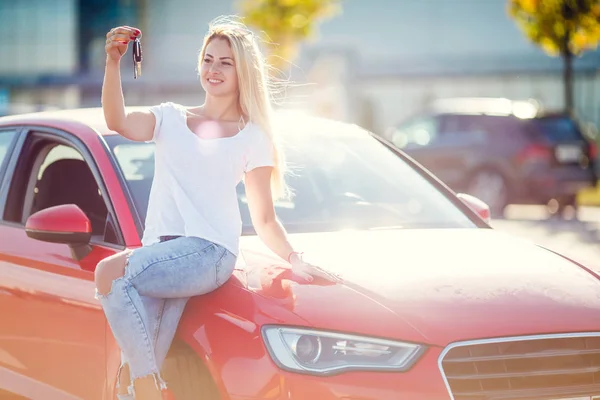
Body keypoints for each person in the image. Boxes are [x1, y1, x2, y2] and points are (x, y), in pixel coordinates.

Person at [94, 16, 335, 400]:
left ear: (243, 72)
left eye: (225, 62)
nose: (214, 69)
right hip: (161, 252)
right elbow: (116, 120)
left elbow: (265, 218)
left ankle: (147, 384)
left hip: (210, 252)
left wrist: (295, 257)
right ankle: (143, 384)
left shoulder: (253, 137)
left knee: (110, 274)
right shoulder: (169, 118)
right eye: (208, 59)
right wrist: (111, 63)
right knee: (142, 359)